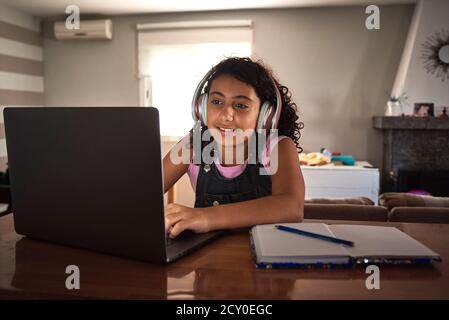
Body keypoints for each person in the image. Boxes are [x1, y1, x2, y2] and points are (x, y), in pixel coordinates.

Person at [163, 57, 305, 238]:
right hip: (208, 260)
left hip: (264, 255)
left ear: (265, 115)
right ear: (201, 108)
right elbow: (143, 193)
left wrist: (205, 217)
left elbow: (291, 207)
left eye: (241, 105)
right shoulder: (192, 146)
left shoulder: (277, 147)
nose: (226, 114)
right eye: (216, 102)